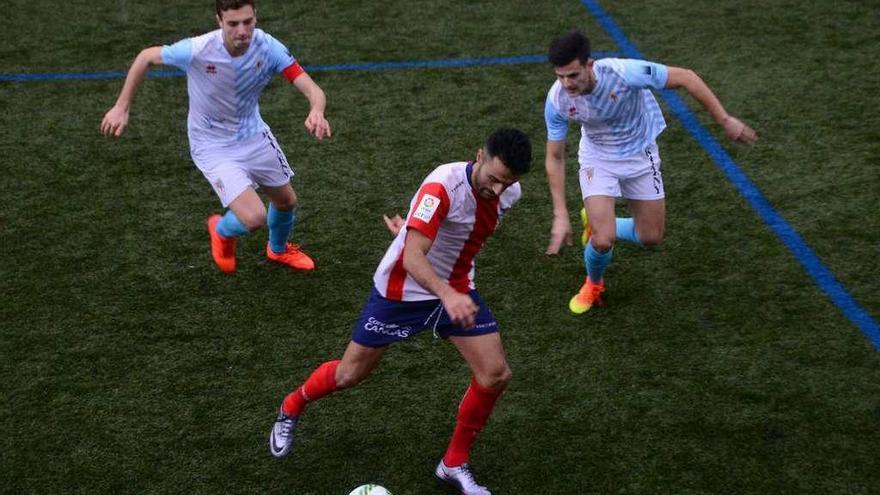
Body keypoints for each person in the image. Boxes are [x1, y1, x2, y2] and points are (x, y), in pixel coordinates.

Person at [268, 128, 532, 495]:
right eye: (494, 180)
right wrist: (438, 280)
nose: (499, 190)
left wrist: (419, 238)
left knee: (495, 374)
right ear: (478, 156)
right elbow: (411, 257)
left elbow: (463, 233)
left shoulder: (509, 193)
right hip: (401, 291)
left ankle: (453, 463)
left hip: (455, 287)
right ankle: (292, 405)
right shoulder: (442, 187)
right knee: (350, 374)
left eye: (509, 183)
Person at [100, 0, 331, 273]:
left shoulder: (268, 47)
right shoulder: (198, 50)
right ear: (219, 21)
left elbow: (313, 90)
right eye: (233, 24)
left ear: (255, 17)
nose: (242, 30)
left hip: (253, 134)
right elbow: (145, 57)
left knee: (286, 201)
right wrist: (121, 107)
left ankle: (277, 251)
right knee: (254, 217)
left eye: (248, 21)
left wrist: (317, 110)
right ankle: (221, 230)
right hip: (212, 145)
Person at [543, 31, 757, 314]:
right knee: (603, 240)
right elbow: (554, 156)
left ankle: (595, 222)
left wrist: (725, 120)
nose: (566, 84)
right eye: (560, 76)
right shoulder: (558, 100)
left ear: (590, 64)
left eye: (572, 75)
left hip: (640, 153)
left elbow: (686, 77)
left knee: (651, 237)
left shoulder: (624, 73)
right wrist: (560, 213)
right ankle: (594, 282)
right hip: (598, 158)